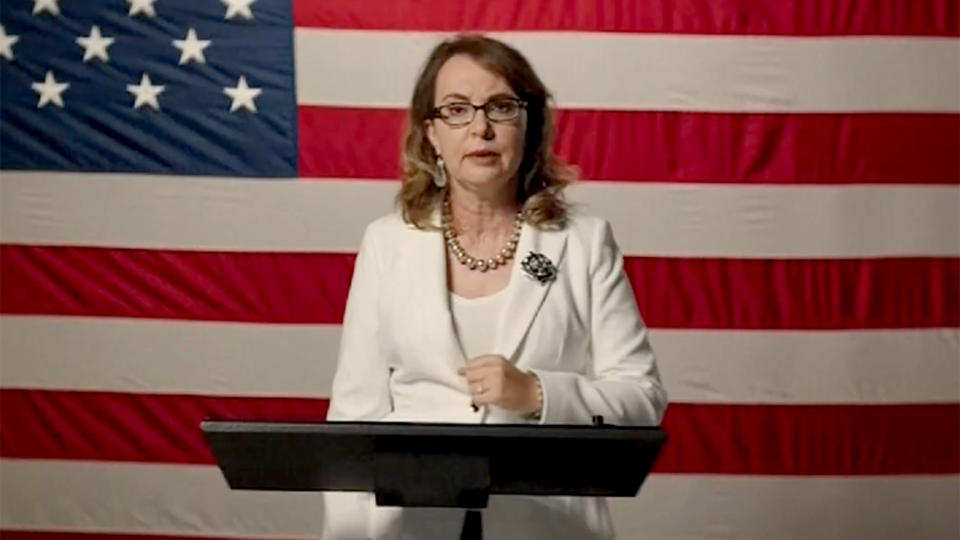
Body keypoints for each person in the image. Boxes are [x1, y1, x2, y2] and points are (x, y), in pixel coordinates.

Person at [321, 34, 667, 540]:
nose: (480, 127)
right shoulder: (386, 243)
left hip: (548, 525)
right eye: (457, 110)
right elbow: (353, 422)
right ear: (432, 134)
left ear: (529, 125)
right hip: (411, 525)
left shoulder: (584, 243)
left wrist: (537, 393)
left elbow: (642, 399)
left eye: (501, 107)